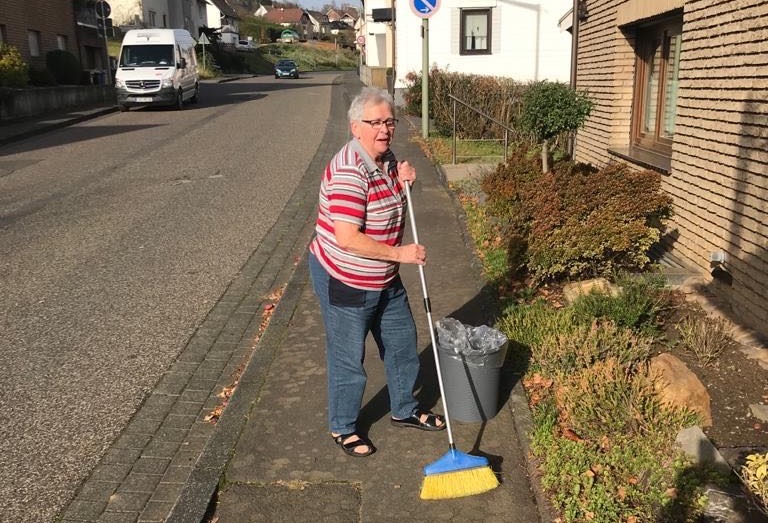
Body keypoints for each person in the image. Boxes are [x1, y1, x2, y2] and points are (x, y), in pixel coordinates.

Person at [308, 87, 445, 458]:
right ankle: (343, 426)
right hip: (347, 278)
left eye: (389, 121)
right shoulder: (350, 171)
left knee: (402, 346)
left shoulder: (385, 159)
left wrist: (406, 185)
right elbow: (349, 238)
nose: (384, 129)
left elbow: (388, 208)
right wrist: (399, 253)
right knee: (350, 358)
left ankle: (403, 409)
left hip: (384, 274)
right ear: (356, 127)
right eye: (375, 123)